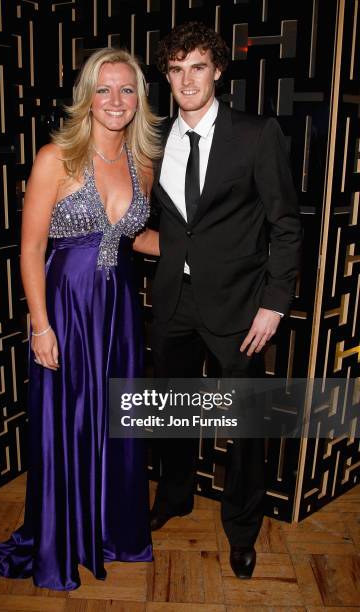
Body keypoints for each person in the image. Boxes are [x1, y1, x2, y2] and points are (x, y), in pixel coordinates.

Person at [0, 48, 160, 591]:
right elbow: (31, 248)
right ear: (87, 95)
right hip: (67, 308)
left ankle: (112, 532)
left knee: (116, 420)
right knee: (69, 421)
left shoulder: (143, 164)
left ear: (139, 100)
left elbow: (134, 238)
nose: (116, 101)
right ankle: (63, 540)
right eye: (104, 89)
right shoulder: (55, 159)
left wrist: (201, 252)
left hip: (120, 311)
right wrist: (40, 325)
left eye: (127, 90)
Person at [149, 22, 302, 579]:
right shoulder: (155, 136)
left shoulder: (257, 134)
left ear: (217, 70)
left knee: (242, 427)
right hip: (172, 301)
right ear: (166, 77)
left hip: (241, 308)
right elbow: (162, 222)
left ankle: (242, 528)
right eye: (175, 69)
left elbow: (286, 224)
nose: (186, 79)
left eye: (197, 67)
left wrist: (275, 303)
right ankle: (174, 497)